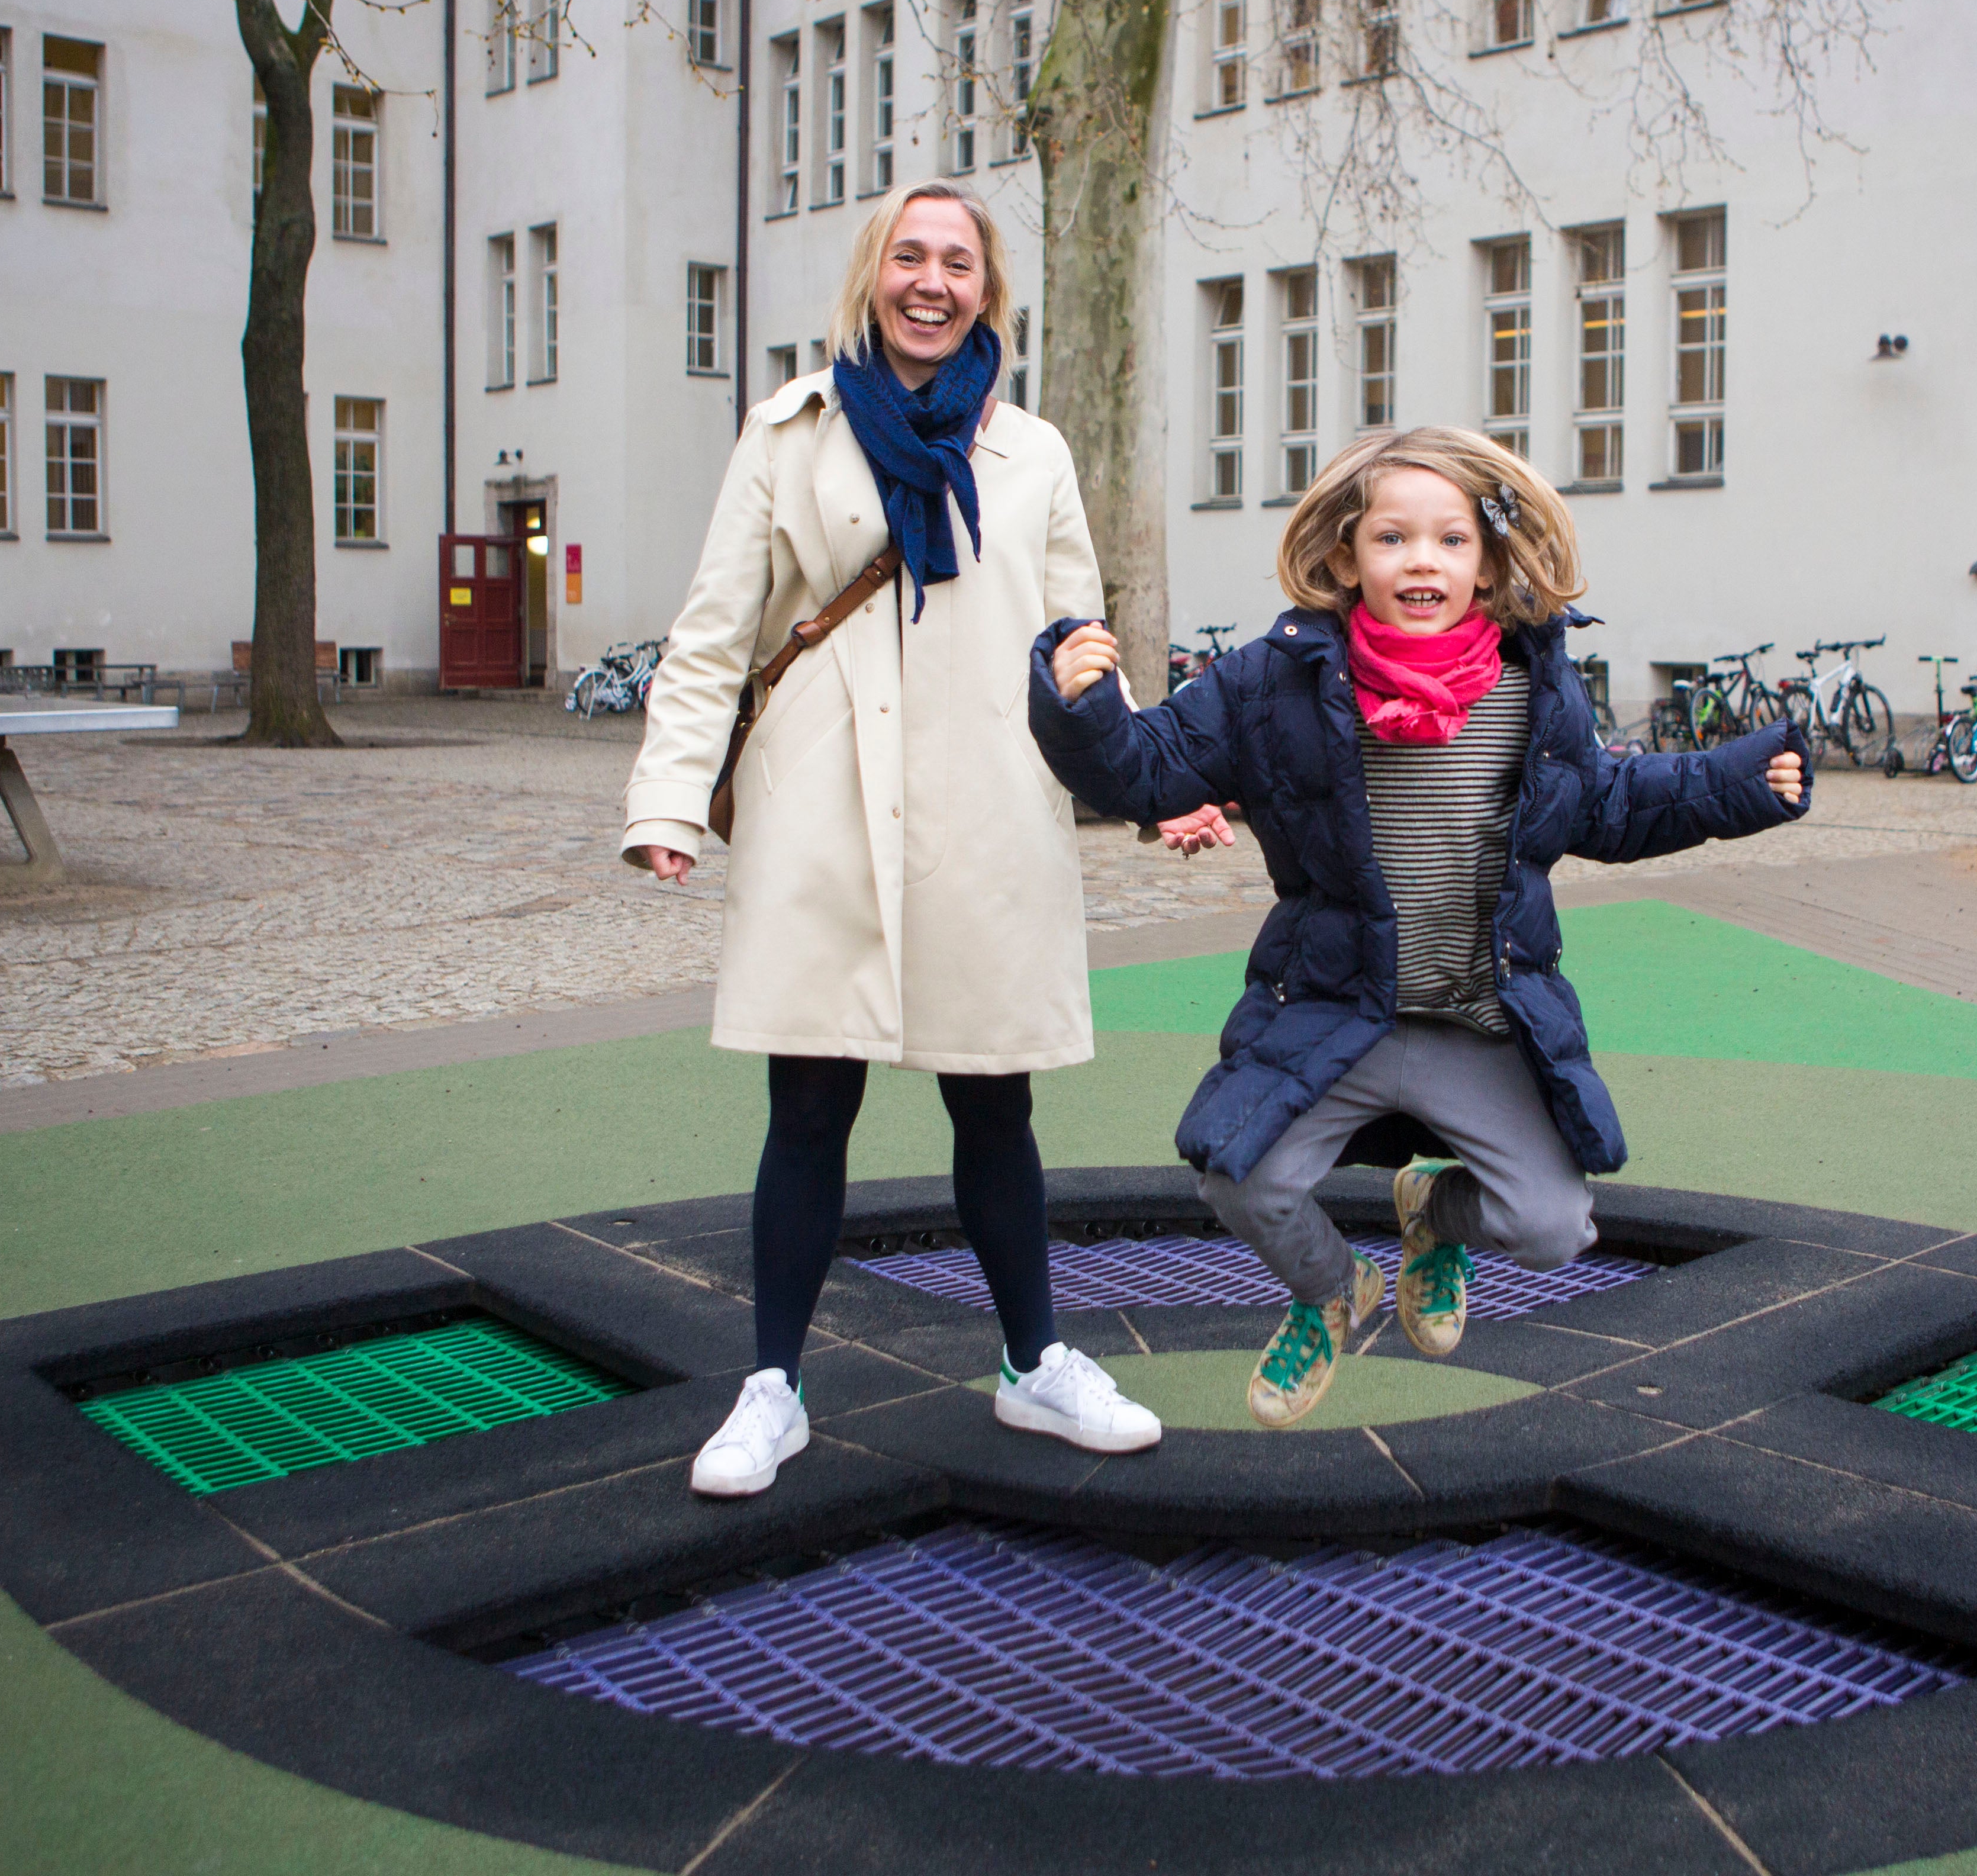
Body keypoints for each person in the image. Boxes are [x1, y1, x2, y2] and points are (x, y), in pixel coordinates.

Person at [1027, 426, 1808, 1427]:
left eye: (1449, 541)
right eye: (1392, 539)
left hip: (1472, 1018)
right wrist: (1079, 705)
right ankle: (1333, 1292)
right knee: (1240, 1182)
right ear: (1346, 558)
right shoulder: (1277, 686)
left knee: (1554, 1225)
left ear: (1485, 568)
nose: (1421, 561)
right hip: (1338, 1007)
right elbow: (1147, 767)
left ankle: (1431, 1215)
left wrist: (1738, 784)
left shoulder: (1532, 692)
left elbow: (1611, 804)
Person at [622, 179, 1160, 1497]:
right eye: (910, 257)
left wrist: (1157, 779)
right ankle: (772, 1390)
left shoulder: (1031, 451)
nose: (934, 281)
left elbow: (1077, 653)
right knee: (808, 1103)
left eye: (958, 262)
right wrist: (667, 802)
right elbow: (710, 637)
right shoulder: (789, 434)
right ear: (873, 277)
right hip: (825, 809)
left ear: (988, 290)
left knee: (996, 1098)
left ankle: (1036, 1367)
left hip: (989, 811)